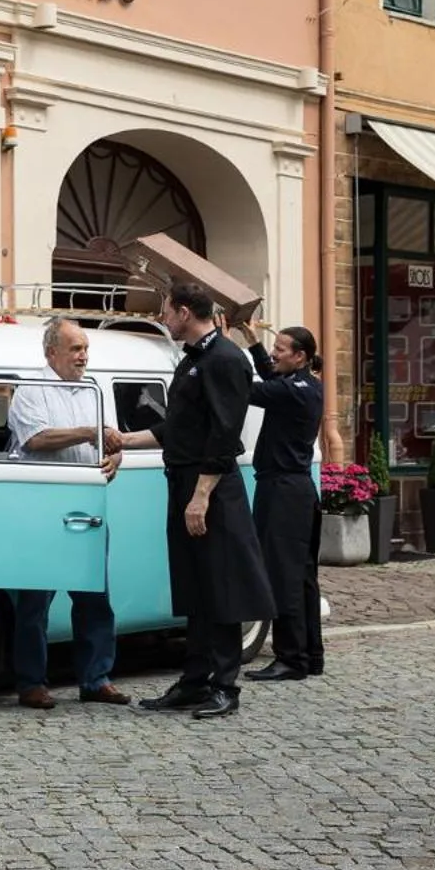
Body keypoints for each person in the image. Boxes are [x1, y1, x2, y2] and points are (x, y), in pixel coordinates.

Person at [112, 283, 278, 719]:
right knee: (195, 587)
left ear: (185, 312)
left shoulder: (224, 358)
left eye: (166, 312)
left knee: (220, 586)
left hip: (212, 487)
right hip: (184, 480)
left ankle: (224, 686)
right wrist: (126, 440)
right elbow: (178, 427)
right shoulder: (192, 359)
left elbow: (225, 435)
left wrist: (201, 496)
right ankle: (194, 680)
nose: (163, 319)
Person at [4, 317, 128, 709]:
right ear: (51, 352)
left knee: (95, 596)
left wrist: (115, 456)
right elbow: (37, 439)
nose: (83, 356)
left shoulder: (93, 389)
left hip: (87, 503)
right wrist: (88, 432)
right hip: (43, 506)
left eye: (85, 348)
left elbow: (111, 438)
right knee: (35, 601)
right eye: (75, 349)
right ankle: (31, 682)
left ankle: (96, 678)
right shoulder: (32, 389)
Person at [229, 316, 326, 682]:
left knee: (284, 576)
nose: (274, 354)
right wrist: (251, 340)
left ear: (300, 357)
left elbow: (253, 390)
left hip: (284, 492)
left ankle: (291, 658)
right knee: (302, 578)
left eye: (280, 350)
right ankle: (310, 655)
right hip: (296, 490)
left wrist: (225, 354)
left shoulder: (294, 390)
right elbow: (270, 377)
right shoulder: (303, 384)